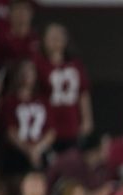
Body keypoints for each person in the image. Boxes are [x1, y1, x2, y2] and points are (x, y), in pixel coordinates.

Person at [33, 22, 93, 153]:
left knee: (70, 161)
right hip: (48, 124)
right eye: (52, 37)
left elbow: (83, 93)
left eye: (59, 37)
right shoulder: (39, 63)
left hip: (71, 121)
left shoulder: (75, 64)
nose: (55, 41)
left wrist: (87, 119)